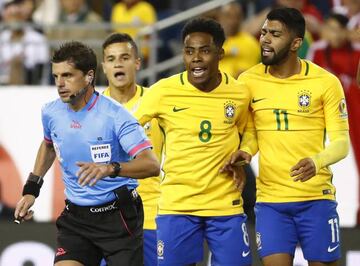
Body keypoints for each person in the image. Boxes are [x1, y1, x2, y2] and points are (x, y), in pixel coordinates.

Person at [14, 41, 160, 266]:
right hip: (76, 218)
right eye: (55, 77)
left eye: (68, 75)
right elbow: (49, 145)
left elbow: (151, 164)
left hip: (118, 217)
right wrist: (31, 190)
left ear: (89, 76)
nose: (60, 84)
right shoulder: (51, 112)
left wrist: (111, 168)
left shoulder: (116, 116)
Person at [224, 7, 350, 266]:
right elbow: (253, 132)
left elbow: (341, 143)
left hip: (316, 199)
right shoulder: (248, 81)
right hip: (271, 202)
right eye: (264, 32)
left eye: (275, 34)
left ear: (296, 43)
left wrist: (317, 161)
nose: (265, 39)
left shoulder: (325, 82)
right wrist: (246, 151)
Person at [135, 17, 252, 266]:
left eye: (204, 51)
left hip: (225, 204)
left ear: (220, 53)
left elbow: (249, 131)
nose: (196, 58)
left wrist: (245, 153)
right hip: (177, 206)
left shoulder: (239, 93)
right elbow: (129, 126)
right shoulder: (162, 91)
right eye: (189, 52)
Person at [101, 32, 162, 266]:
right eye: (111, 59)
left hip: (152, 215)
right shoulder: (93, 109)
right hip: (108, 218)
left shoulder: (158, 102)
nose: (118, 63)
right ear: (104, 66)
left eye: (125, 57)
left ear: (137, 63)